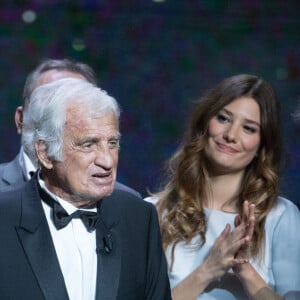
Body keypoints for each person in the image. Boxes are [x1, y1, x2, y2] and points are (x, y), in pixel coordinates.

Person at [0, 78, 171, 299]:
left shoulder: (138, 216)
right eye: (88, 144)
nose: (108, 161)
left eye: (112, 143)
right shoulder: (4, 219)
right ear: (45, 153)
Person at [146, 74, 300, 300]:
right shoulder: (153, 212)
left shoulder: (280, 217)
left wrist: (244, 269)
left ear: (262, 145)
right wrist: (209, 269)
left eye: (248, 128)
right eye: (223, 118)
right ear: (205, 123)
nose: (230, 135)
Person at [0, 58, 140, 197]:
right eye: (49, 105)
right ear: (20, 119)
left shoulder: (130, 205)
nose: (60, 116)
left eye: (79, 104)